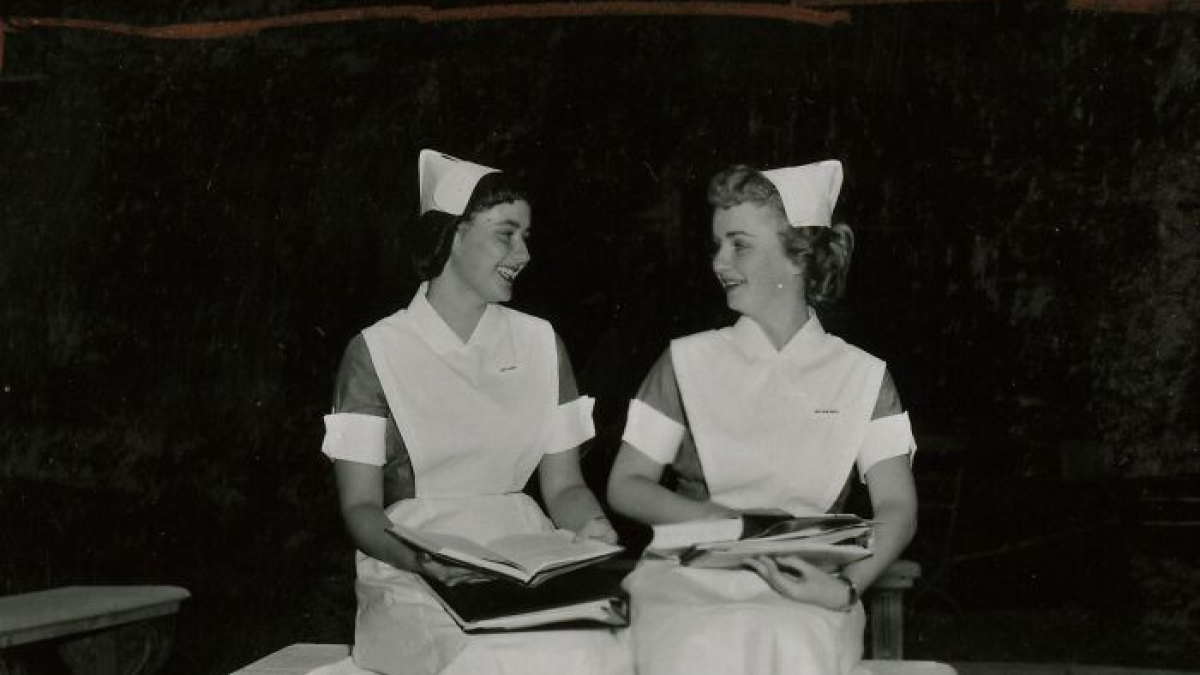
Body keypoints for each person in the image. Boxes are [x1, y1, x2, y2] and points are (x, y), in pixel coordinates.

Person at [319, 150, 630, 675]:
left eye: (526, 236)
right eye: (506, 234)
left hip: (524, 554)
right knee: (493, 658)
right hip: (409, 570)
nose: (524, 253)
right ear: (451, 235)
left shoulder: (539, 342)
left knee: (600, 644)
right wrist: (420, 560)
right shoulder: (376, 351)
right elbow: (360, 509)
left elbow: (564, 488)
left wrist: (594, 529)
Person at [606, 160, 918, 675]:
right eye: (717, 244)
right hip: (688, 579)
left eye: (740, 244)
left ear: (798, 258)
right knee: (698, 650)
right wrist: (718, 522)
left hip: (808, 585)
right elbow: (626, 484)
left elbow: (897, 507)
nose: (719, 262)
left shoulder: (862, 376)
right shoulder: (685, 361)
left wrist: (844, 587)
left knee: (790, 643)